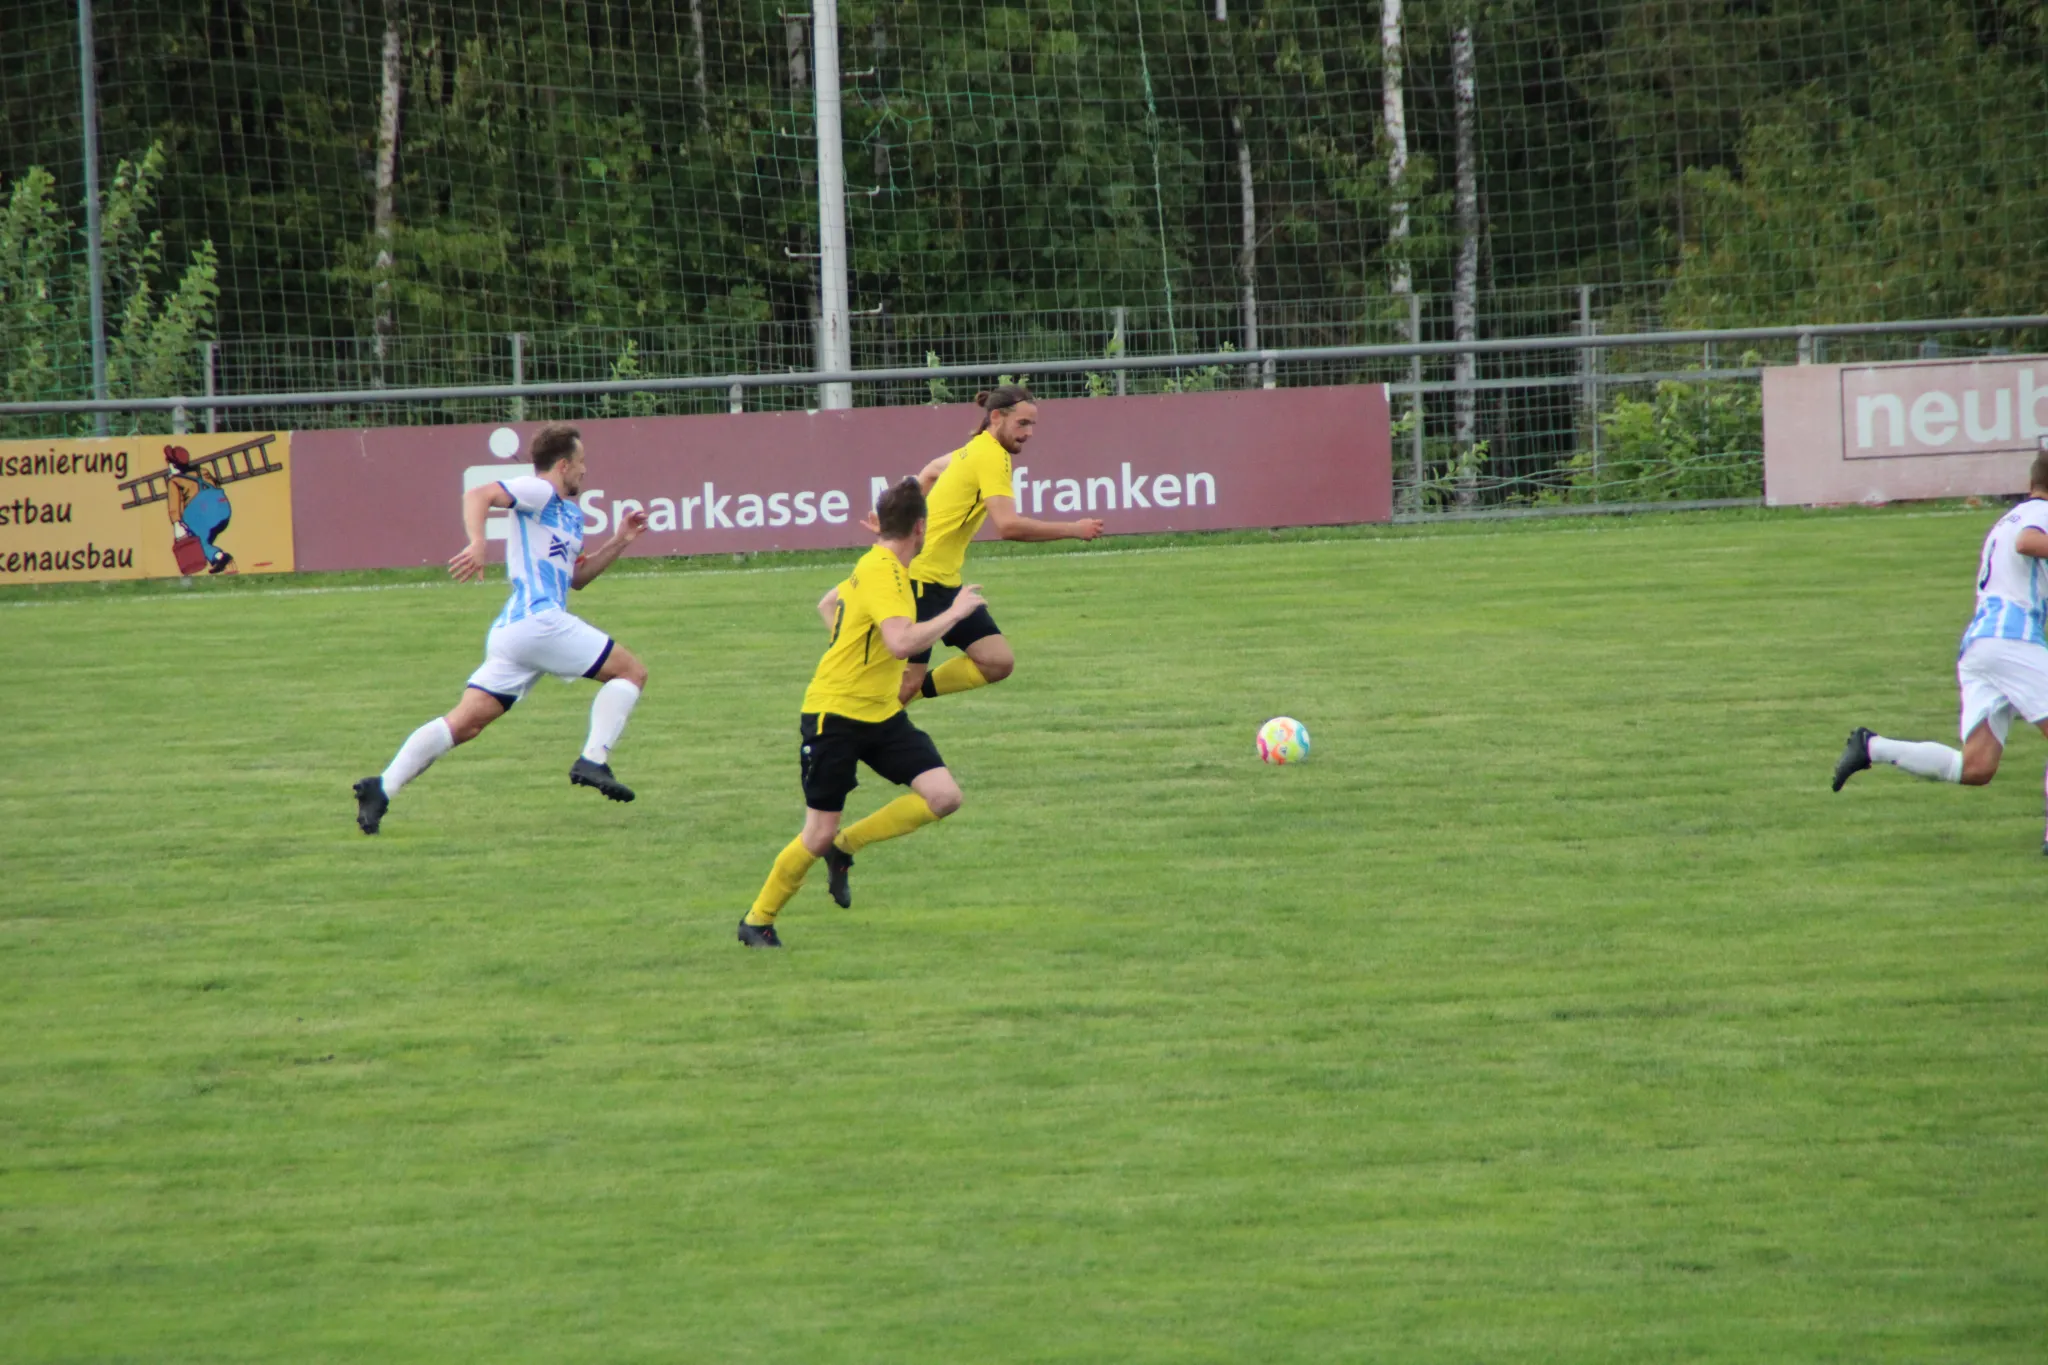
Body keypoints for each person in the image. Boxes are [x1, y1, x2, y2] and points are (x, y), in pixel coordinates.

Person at [353, 423, 650, 834]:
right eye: (581, 462)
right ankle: (593, 760)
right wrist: (478, 542)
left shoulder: (570, 515)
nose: (586, 470)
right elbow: (479, 494)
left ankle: (382, 787)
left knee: (465, 723)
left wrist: (620, 541)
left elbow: (577, 579)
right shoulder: (540, 491)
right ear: (563, 465)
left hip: (517, 633)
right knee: (631, 672)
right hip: (537, 621)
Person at [740, 477, 988, 947]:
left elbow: (828, 604)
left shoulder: (877, 562)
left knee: (943, 797)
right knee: (816, 833)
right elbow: (901, 643)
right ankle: (757, 920)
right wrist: (955, 613)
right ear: (921, 527)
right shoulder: (884, 572)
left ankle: (845, 847)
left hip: (880, 715)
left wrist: (854, 650)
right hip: (834, 716)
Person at [1834, 446, 2048, 852]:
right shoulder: (2040, 516)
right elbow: (2028, 543)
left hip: (1982, 645)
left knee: (1976, 767)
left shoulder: (2009, 518)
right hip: (2010, 640)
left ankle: (1872, 747)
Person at [891, 385, 1104, 707]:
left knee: (997, 662)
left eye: (1032, 425)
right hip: (919, 582)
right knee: (905, 684)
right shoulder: (991, 455)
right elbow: (1008, 526)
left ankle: (895, 700)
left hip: (944, 583)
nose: (1029, 433)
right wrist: (1075, 529)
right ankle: (854, 724)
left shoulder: (976, 448)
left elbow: (931, 470)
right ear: (996, 417)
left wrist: (899, 518)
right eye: (1022, 423)